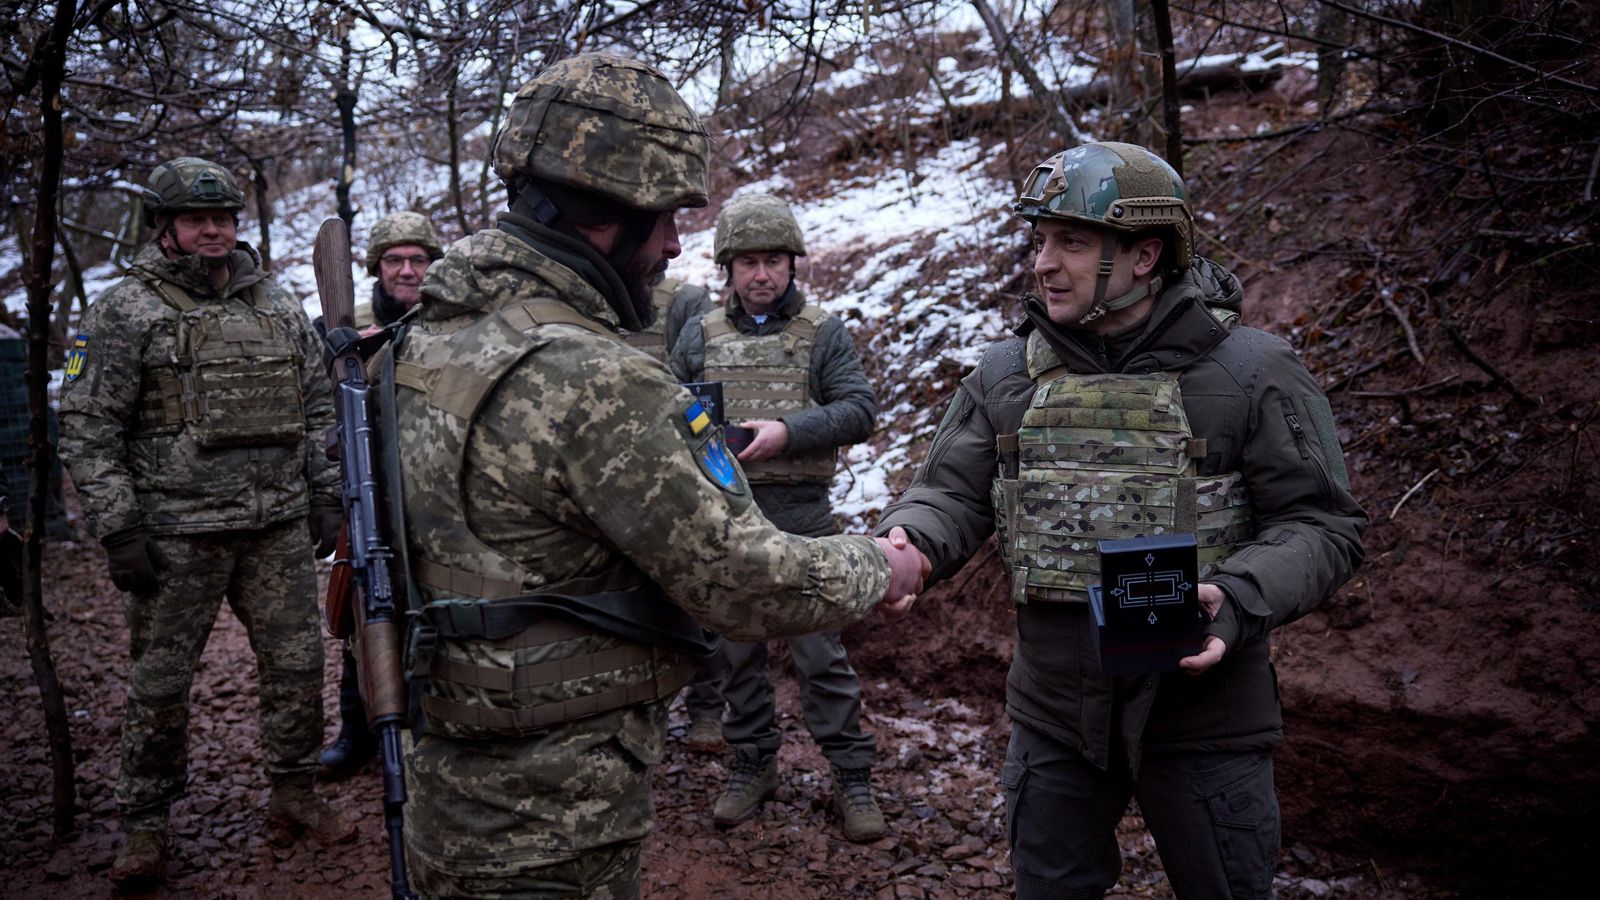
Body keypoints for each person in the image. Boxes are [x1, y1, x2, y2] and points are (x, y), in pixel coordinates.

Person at [388, 53, 925, 897]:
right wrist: (883, 563)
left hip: (446, 785)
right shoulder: (596, 378)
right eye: (669, 216)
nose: (676, 244)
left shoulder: (421, 342)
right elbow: (746, 584)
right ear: (608, 210)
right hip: (559, 817)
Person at [874, 142, 1367, 898]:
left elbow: (1324, 525)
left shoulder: (1252, 372)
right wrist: (909, 545)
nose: (1042, 263)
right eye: (1039, 240)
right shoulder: (1006, 375)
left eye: (1070, 241)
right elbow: (952, 493)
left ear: (1144, 254)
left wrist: (1236, 596)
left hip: (1206, 716)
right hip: (1054, 713)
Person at [57, 157, 355, 888]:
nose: (213, 230)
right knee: (160, 685)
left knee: (296, 666)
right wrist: (118, 528)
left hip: (276, 526)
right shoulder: (123, 312)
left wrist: (324, 494)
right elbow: (87, 426)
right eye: (197, 219)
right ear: (166, 229)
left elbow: (319, 407)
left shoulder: (276, 305)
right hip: (174, 533)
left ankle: (293, 791)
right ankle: (146, 825)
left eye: (222, 218)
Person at [670, 193, 886, 842]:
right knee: (738, 654)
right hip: (729, 516)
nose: (761, 275)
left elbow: (859, 410)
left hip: (803, 516)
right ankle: (752, 763)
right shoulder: (699, 333)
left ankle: (852, 776)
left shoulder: (822, 333)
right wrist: (701, 432)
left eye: (772, 262)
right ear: (727, 270)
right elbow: (668, 404)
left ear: (792, 265)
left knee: (821, 653)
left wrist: (788, 432)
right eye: (747, 263)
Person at [317, 209, 445, 780]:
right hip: (366, 490)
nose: (407, 270)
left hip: (429, 488)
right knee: (359, 603)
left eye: (419, 260)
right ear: (376, 267)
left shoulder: (448, 322)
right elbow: (317, 411)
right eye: (395, 260)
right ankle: (356, 730)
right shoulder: (345, 323)